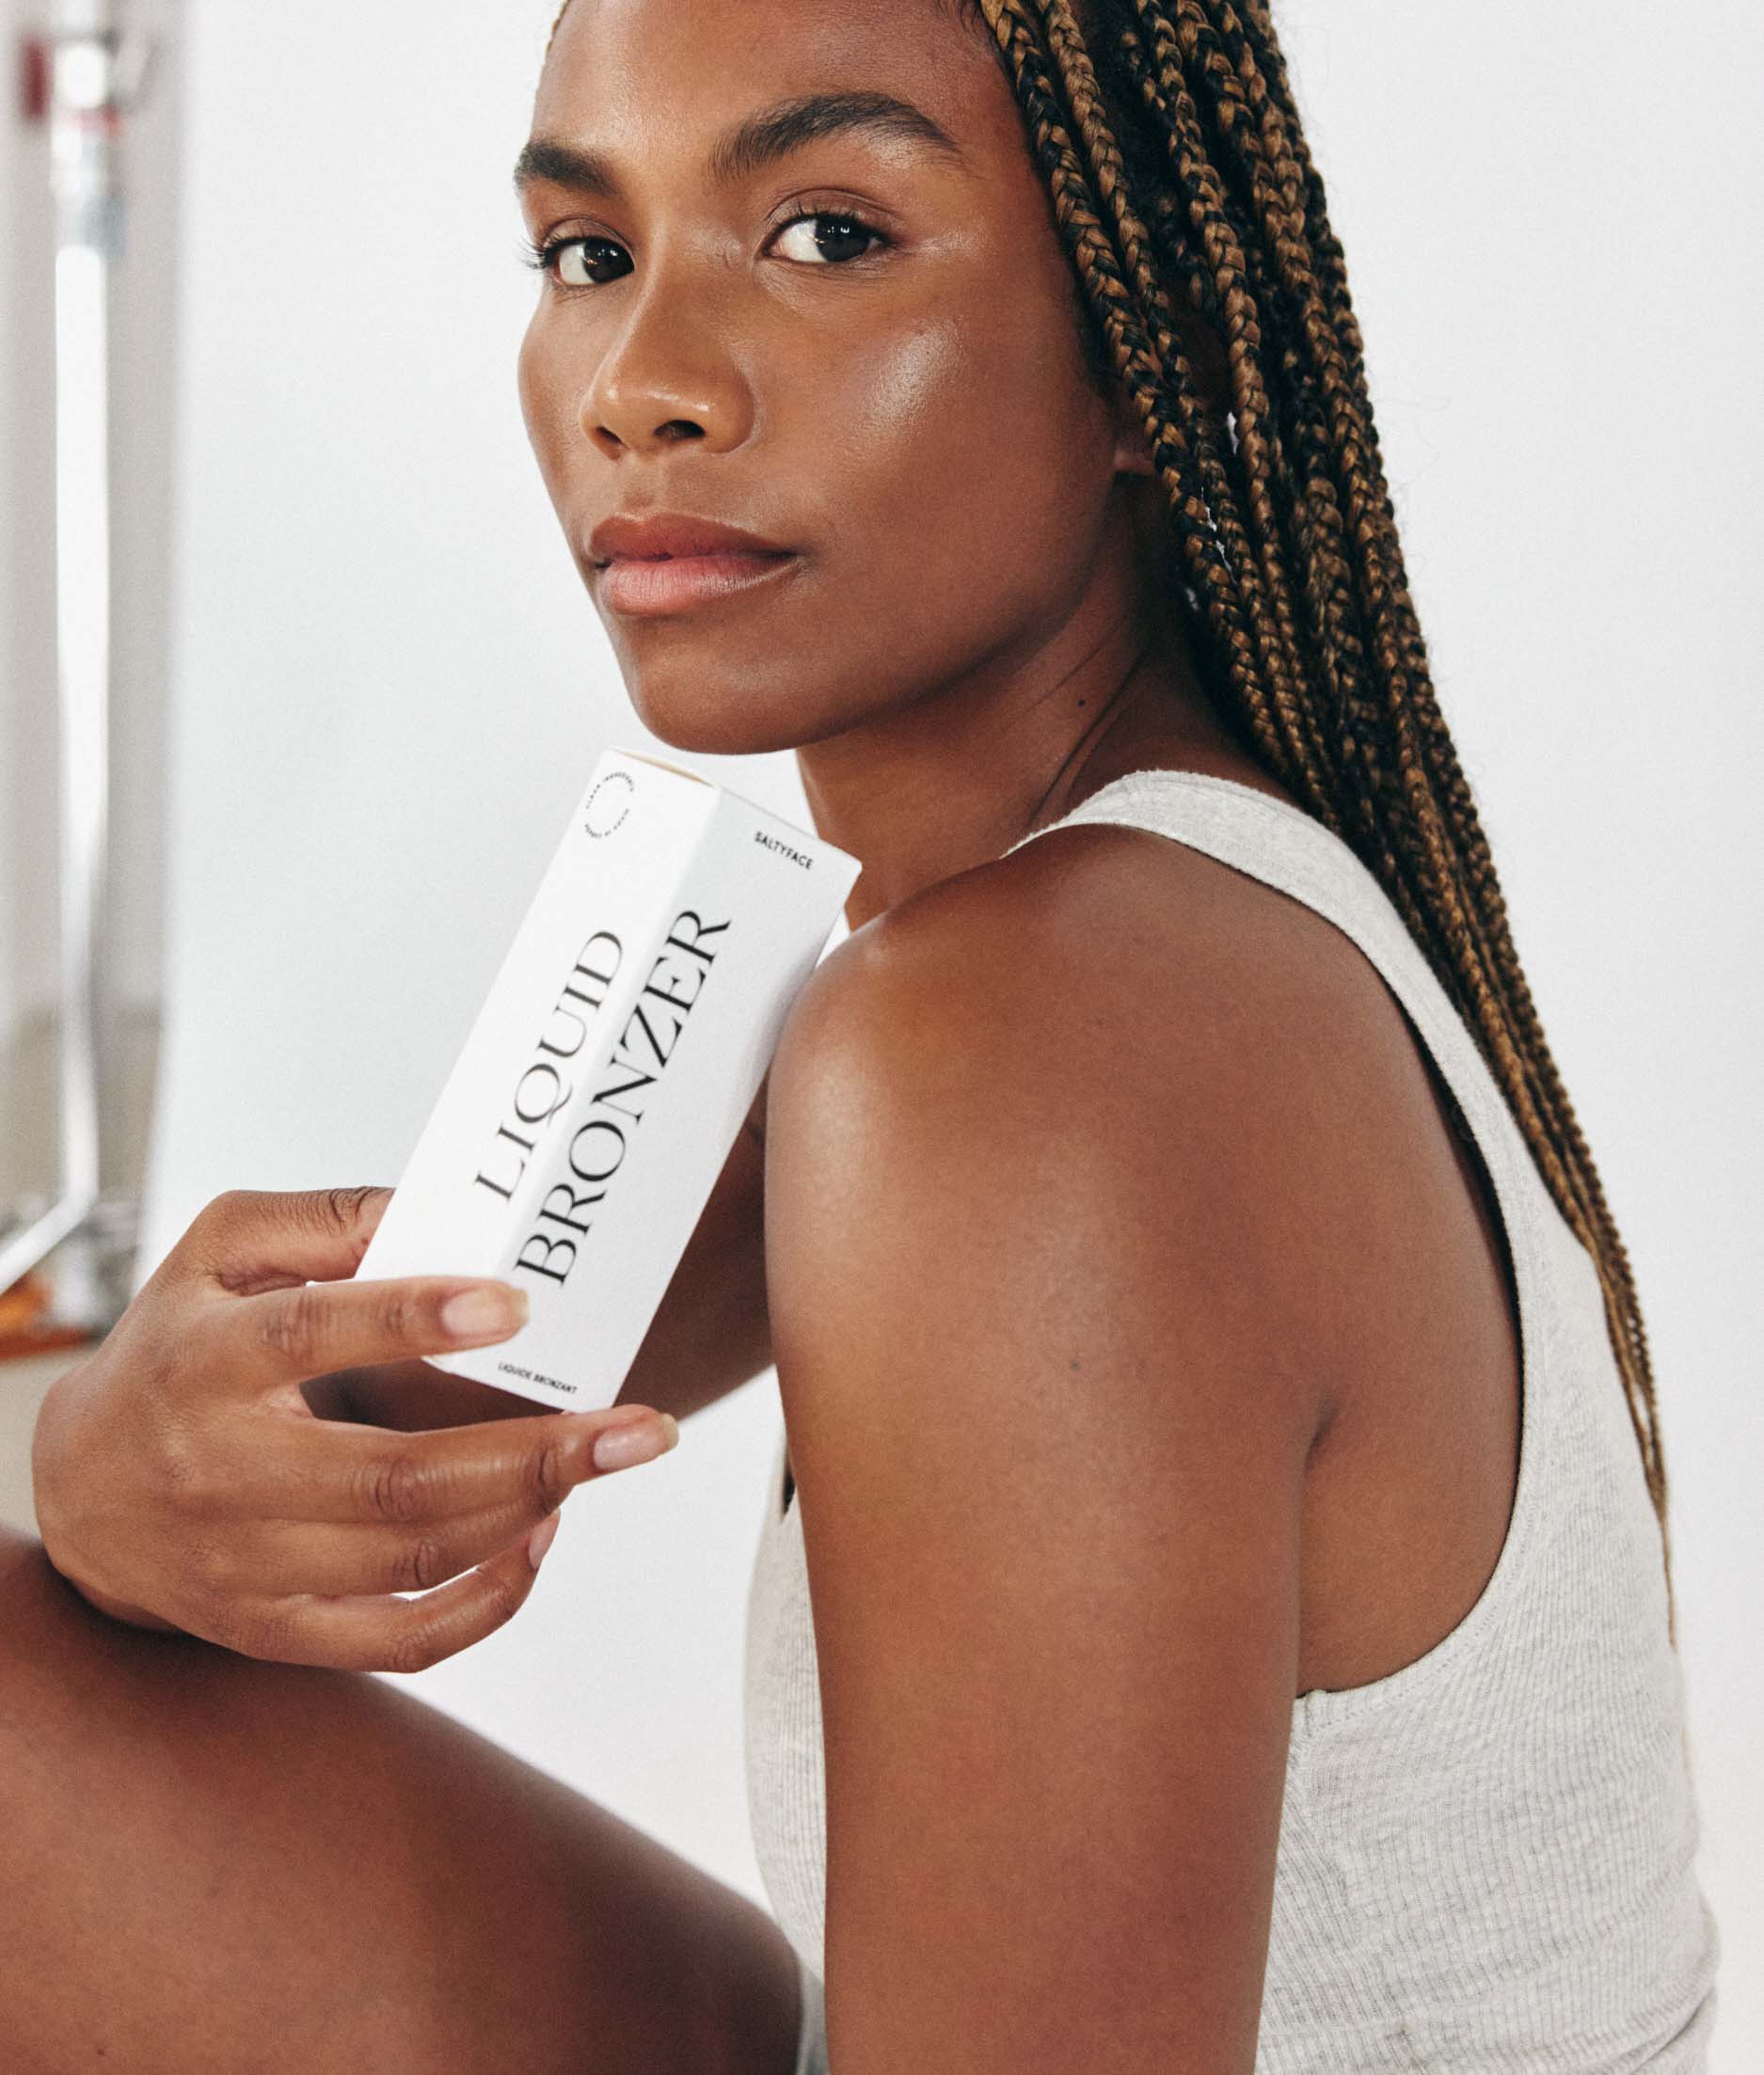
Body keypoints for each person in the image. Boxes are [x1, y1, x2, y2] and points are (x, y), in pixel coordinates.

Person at [3, 0, 1721, 2067]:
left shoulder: (1042, 1041)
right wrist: (101, 1461)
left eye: (826, 234)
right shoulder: (1039, 938)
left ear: (1143, 351)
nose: (641, 387)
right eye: (585, 253)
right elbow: (347, 1438)